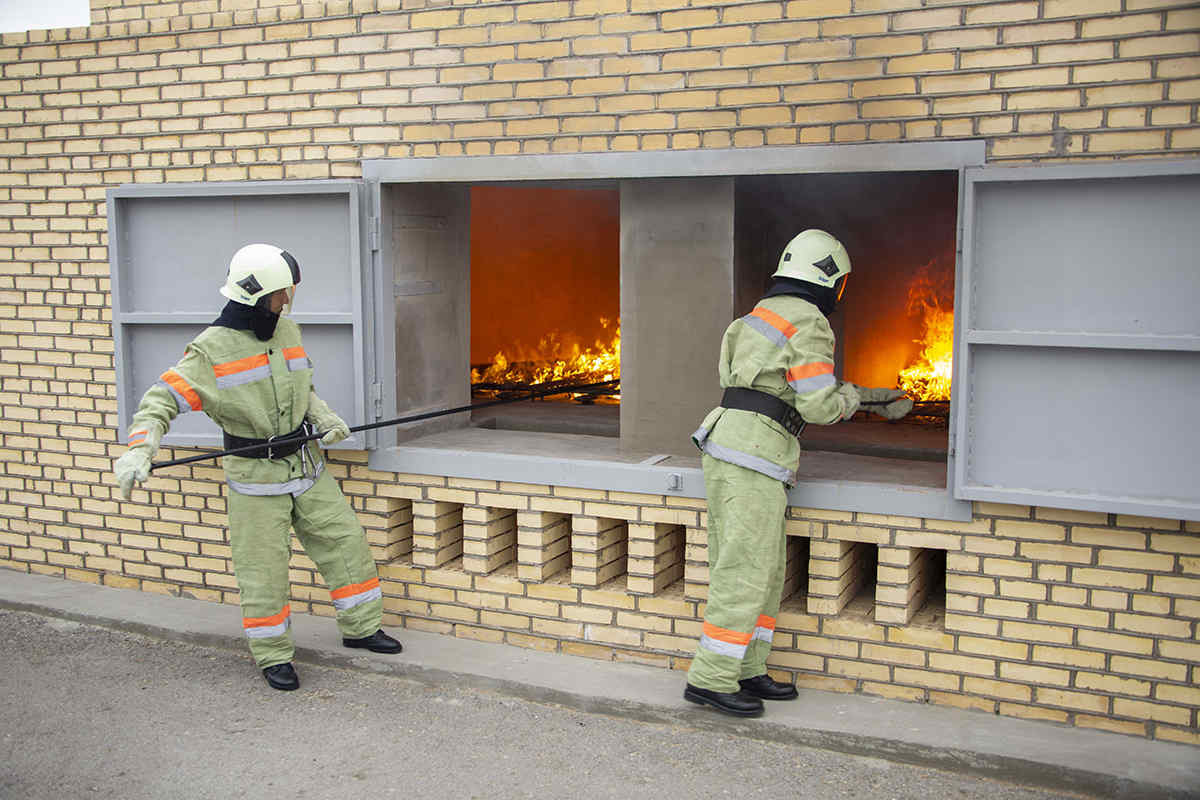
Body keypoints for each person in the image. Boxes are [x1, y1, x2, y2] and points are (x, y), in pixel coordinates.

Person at [112, 243, 403, 692]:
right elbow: (159, 403)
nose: (286, 301)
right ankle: (273, 656)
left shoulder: (287, 332)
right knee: (264, 572)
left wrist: (324, 419)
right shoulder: (209, 352)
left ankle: (362, 628)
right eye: (280, 294)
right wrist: (139, 449)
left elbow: (303, 388)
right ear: (255, 295)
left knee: (346, 543)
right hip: (255, 479)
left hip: (306, 468)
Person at [686, 229, 910, 717]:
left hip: (730, 444)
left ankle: (748, 667)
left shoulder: (751, 318)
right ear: (831, 278)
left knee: (762, 569)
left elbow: (757, 384)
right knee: (746, 569)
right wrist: (862, 401)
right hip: (756, 454)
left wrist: (871, 395)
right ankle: (711, 678)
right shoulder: (809, 322)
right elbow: (819, 404)